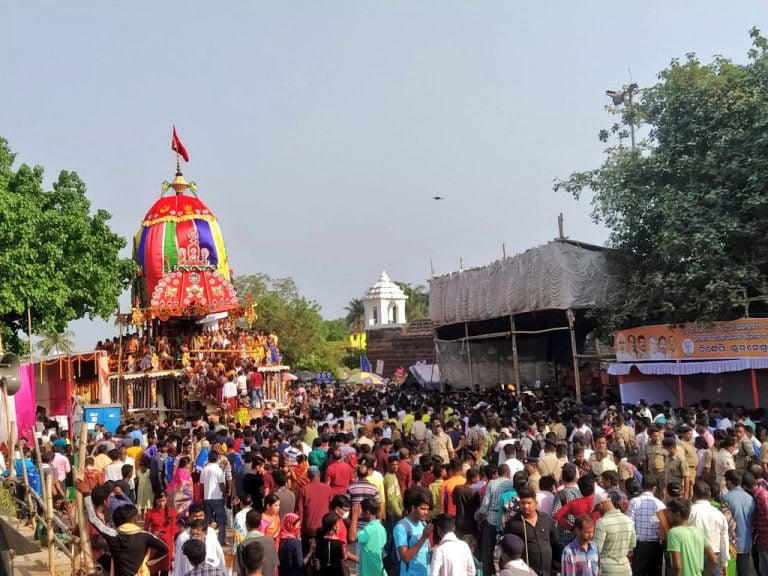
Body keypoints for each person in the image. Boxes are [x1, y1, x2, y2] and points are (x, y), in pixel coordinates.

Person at [78, 478, 169, 576]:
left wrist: (86, 494)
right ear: (135, 521)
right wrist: (149, 563)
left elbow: (93, 519)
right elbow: (165, 549)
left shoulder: (113, 535)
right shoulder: (145, 536)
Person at [503, 487, 560, 576]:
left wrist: (556, 568)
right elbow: (507, 550)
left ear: (536, 503)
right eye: (523, 503)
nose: (526, 506)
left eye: (529, 503)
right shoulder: (513, 524)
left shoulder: (546, 520)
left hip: (548, 572)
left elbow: (556, 544)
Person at [666, 498, 717, 576]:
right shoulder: (698, 531)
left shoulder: (673, 533)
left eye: (669, 512)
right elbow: (714, 560)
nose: (667, 515)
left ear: (677, 514)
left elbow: (677, 567)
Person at [627, 476, 666, 576]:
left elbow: (629, 525)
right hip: (656, 546)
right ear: (654, 488)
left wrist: (629, 548)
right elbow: (663, 527)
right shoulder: (660, 504)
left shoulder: (634, 502)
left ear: (641, 486)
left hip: (639, 546)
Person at [688, 481, 729, 576]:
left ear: (694, 494)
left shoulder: (690, 513)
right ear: (709, 494)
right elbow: (724, 539)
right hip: (714, 556)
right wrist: (724, 562)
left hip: (694, 555)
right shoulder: (719, 514)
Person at [592, 491, 636, 576]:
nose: (598, 512)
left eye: (597, 509)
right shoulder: (628, 520)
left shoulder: (602, 523)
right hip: (626, 569)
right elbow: (632, 545)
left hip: (608, 570)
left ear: (600, 505)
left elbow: (596, 550)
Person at [721, 469, 755, 576]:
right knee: (743, 571)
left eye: (726, 481)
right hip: (746, 541)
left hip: (731, 543)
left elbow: (725, 522)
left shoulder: (725, 498)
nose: (725, 483)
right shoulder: (750, 498)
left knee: (730, 572)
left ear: (730, 482)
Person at [394, 492, 433, 576]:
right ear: (413, 508)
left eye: (427, 509)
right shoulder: (401, 527)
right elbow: (405, 557)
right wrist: (423, 538)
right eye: (422, 509)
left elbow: (424, 550)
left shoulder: (423, 524)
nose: (426, 512)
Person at [235, 508, 280, 576]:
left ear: (246, 524)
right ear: (260, 524)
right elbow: (275, 565)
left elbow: (240, 572)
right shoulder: (270, 541)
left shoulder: (242, 545)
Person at [349, 498, 387, 576]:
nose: (360, 514)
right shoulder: (381, 528)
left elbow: (352, 538)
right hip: (379, 570)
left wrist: (354, 517)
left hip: (369, 572)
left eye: (362, 511)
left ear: (367, 512)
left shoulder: (368, 530)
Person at [143, 492, 177, 576]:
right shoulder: (150, 513)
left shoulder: (172, 512)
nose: (161, 503)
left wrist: (173, 548)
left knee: (165, 569)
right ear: (155, 501)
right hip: (154, 543)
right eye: (159, 501)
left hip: (167, 543)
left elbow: (173, 531)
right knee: (153, 569)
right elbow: (145, 530)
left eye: (163, 501)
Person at [200, 450, 227, 546]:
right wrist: (225, 494)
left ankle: (206, 540)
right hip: (217, 498)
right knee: (221, 520)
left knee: (208, 520)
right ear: (217, 458)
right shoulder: (218, 470)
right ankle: (221, 540)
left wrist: (203, 495)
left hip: (207, 498)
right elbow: (221, 485)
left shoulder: (204, 469)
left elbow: (202, 485)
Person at [167, 455, 194, 520]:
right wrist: (189, 483)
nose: (190, 465)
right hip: (179, 495)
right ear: (185, 464)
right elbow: (182, 483)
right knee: (179, 512)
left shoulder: (185, 471)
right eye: (189, 464)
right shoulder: (180, 471)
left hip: (185, 495)